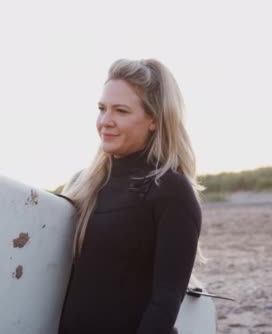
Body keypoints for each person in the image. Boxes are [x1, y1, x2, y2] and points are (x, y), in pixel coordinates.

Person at [57, 58, 206, 334]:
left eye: (121, 111)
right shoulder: (83, 185)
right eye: (102, 109)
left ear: (154, 120)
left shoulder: (171, 192)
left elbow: (165, 303)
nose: (105, 121)